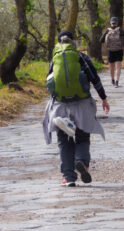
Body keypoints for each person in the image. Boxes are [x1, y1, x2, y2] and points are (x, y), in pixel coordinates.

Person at [42, 31, 110, 187]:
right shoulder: (81, 57)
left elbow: (50, 83)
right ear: (73, 42)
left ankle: (68, 177)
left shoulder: (55, 59)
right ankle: (81, 161)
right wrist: (104, 99)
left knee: (64, 142)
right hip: (82, 105)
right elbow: (95, 78)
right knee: (82, 137)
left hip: (61, 107)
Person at [100, 16, 124, 87]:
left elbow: (101, 40)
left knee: (111, 66)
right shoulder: (121, 30)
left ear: (111, 23)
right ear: (117, 23)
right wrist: (122, 45)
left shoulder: (107, 31)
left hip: (110, 51)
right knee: (118, 67)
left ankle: (112, 80)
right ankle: (117, 81)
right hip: (119, 50)